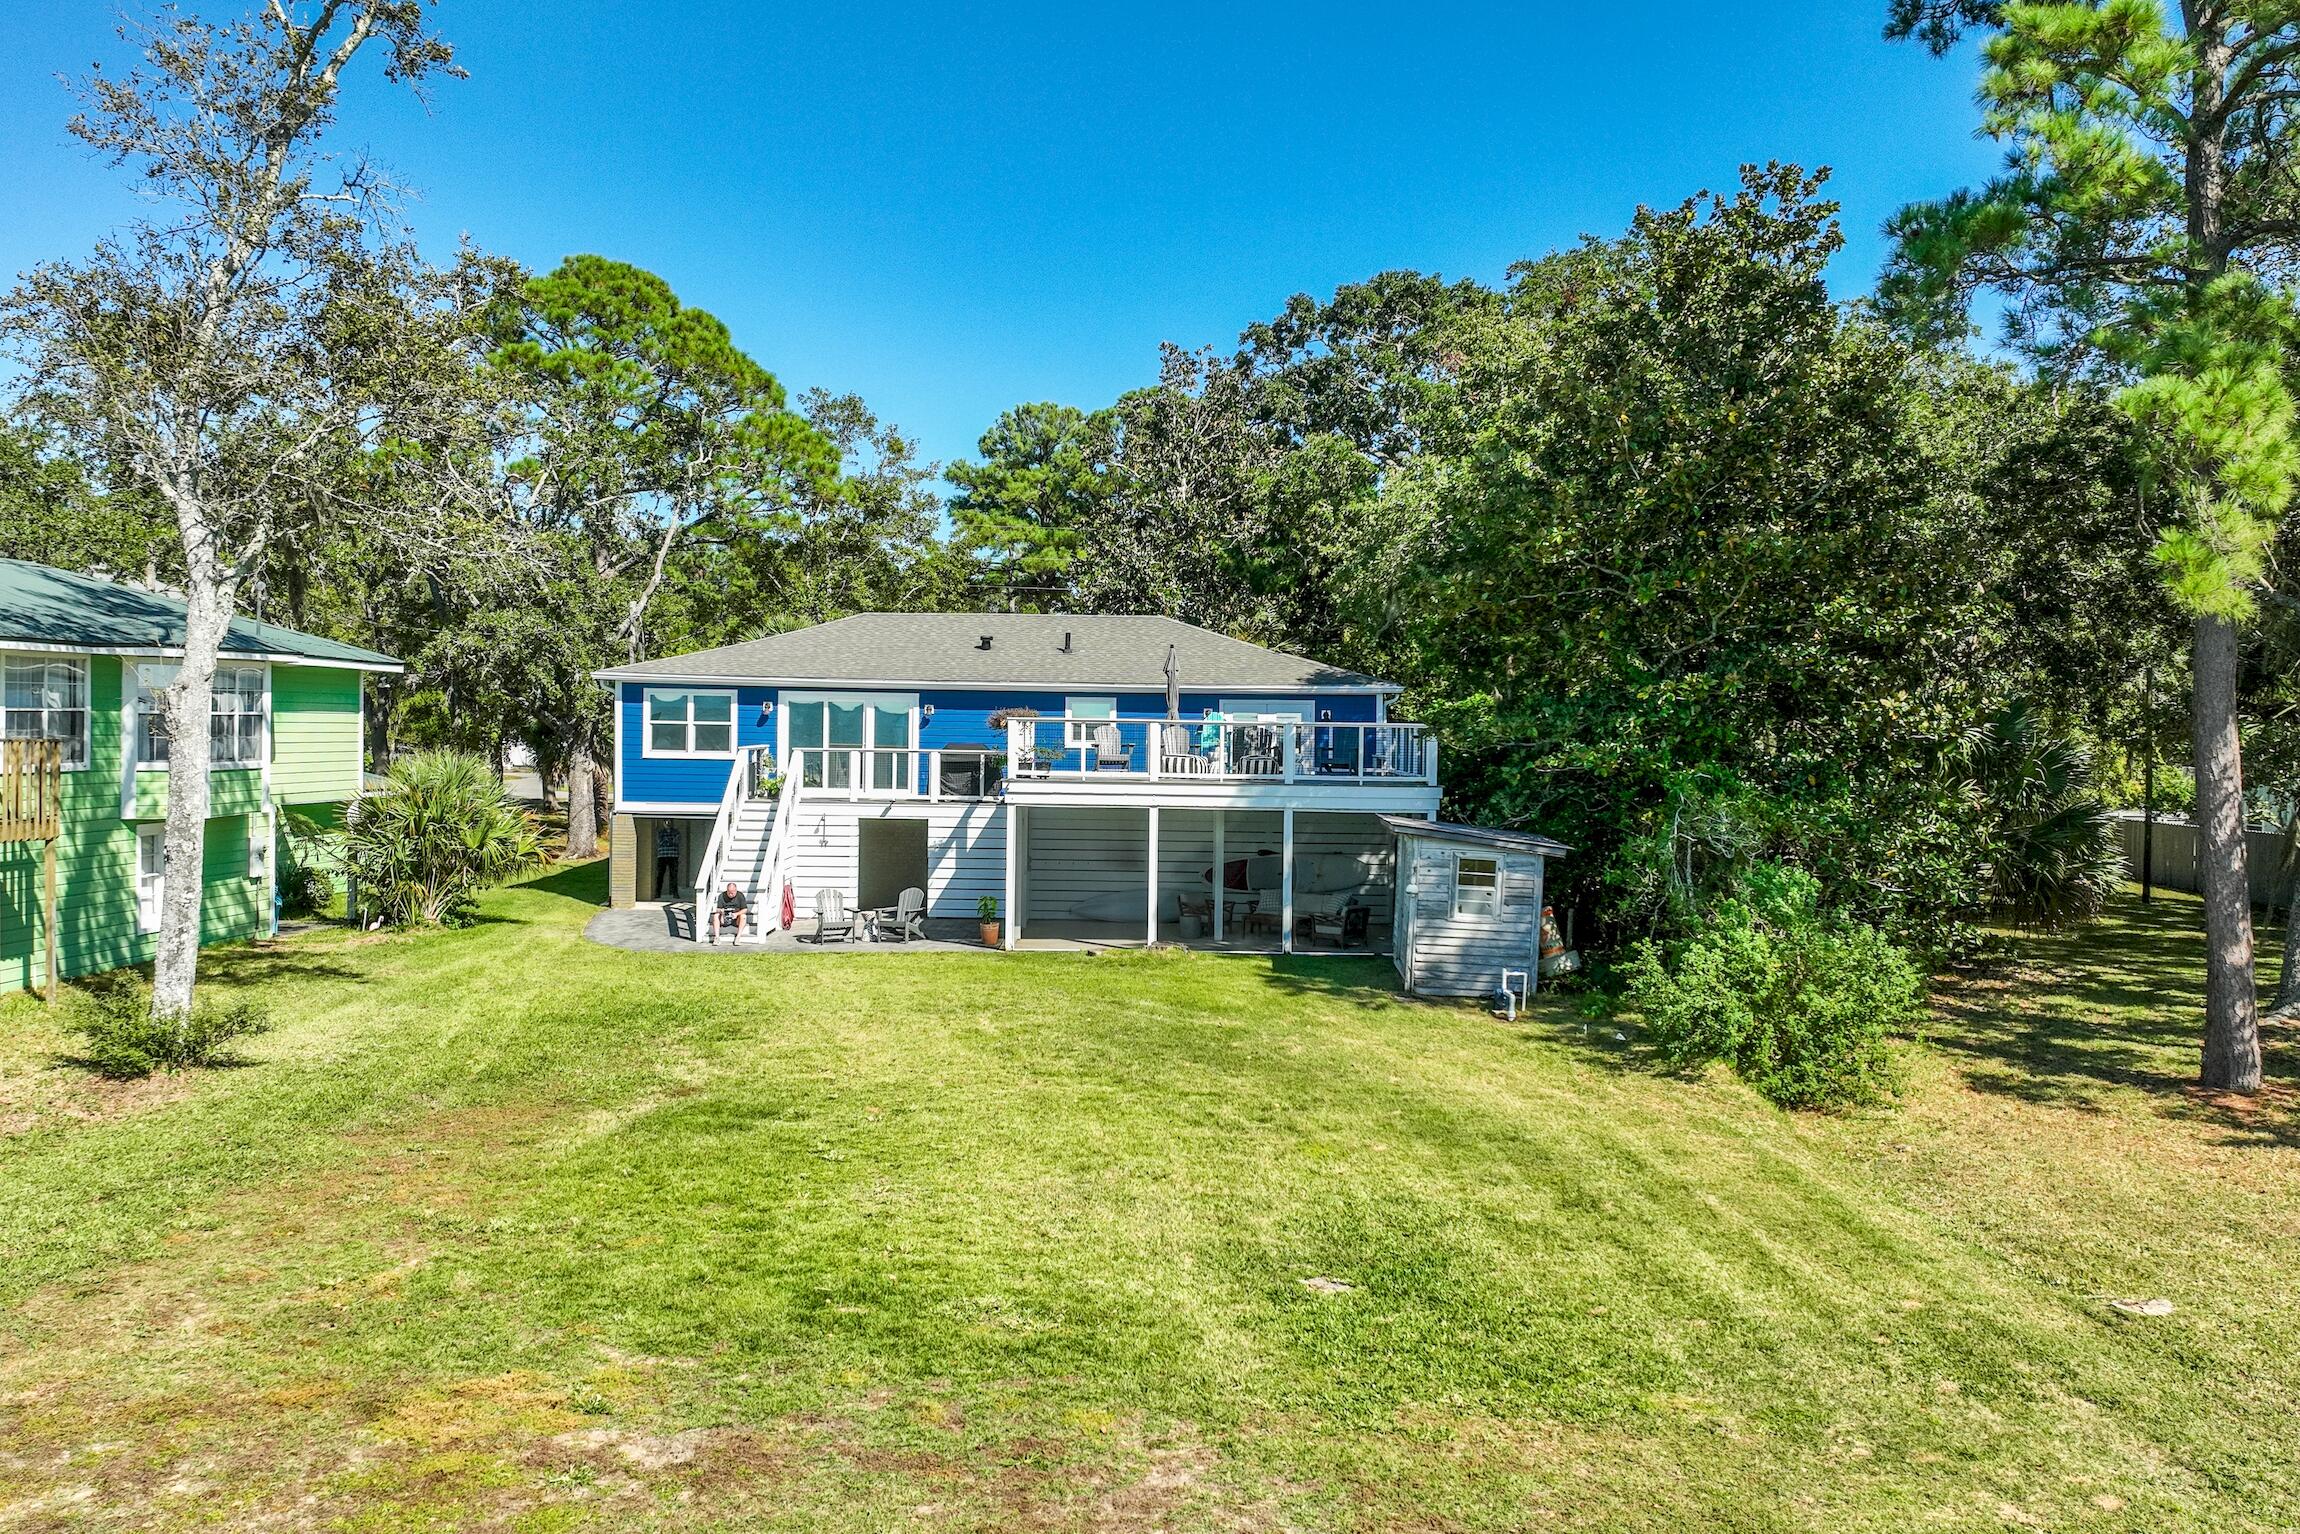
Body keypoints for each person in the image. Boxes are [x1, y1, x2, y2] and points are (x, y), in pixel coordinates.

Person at [652, 822, 682, 900]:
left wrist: (667, 840)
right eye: (665, 822)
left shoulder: (676, 832)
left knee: (674, 875)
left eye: (669, 822)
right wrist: (670, 840)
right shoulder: (660, 832)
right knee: (660, 875)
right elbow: (660, 842)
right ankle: (657, 893)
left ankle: (675, 893)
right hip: (662, 855)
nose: (667, 823)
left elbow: (676, 841)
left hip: (673, 855)